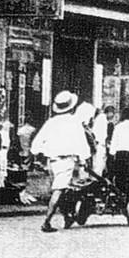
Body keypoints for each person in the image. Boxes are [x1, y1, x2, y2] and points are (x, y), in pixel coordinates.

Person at [30, 91, 91, 233]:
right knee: (59, 190)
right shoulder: (74, 122)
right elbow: (81, 143)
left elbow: (36, 143)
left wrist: (37, 153)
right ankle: (46, 222)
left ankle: (67, 216)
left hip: (51, 162)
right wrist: (84, 159)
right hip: (67, 160)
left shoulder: (50, 122)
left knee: (62, 188)